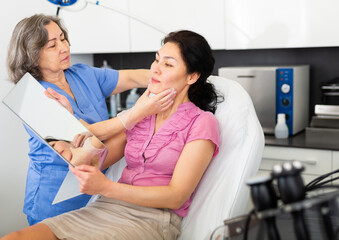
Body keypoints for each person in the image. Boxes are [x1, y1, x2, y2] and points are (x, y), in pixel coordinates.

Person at [2, 29, 223, 240]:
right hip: (107, 206)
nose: (155, 69)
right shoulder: (144, 115)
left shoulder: (202, 123)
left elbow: (176, 197)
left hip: (152, 217)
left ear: (192, 76)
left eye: (167, 64)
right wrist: (70, 138)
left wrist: (107, 187)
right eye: (156, 59)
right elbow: (97, 158)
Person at [6, 14, 176, 226]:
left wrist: (170, 76)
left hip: (95, 192)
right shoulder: (31, 99)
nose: (64, 47)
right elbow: (83, 143)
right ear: (32, 54)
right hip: (54, 201)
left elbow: (133, 77)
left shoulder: (81, 74)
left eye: (63, 38)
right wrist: (137, 113)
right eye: (52, 45)